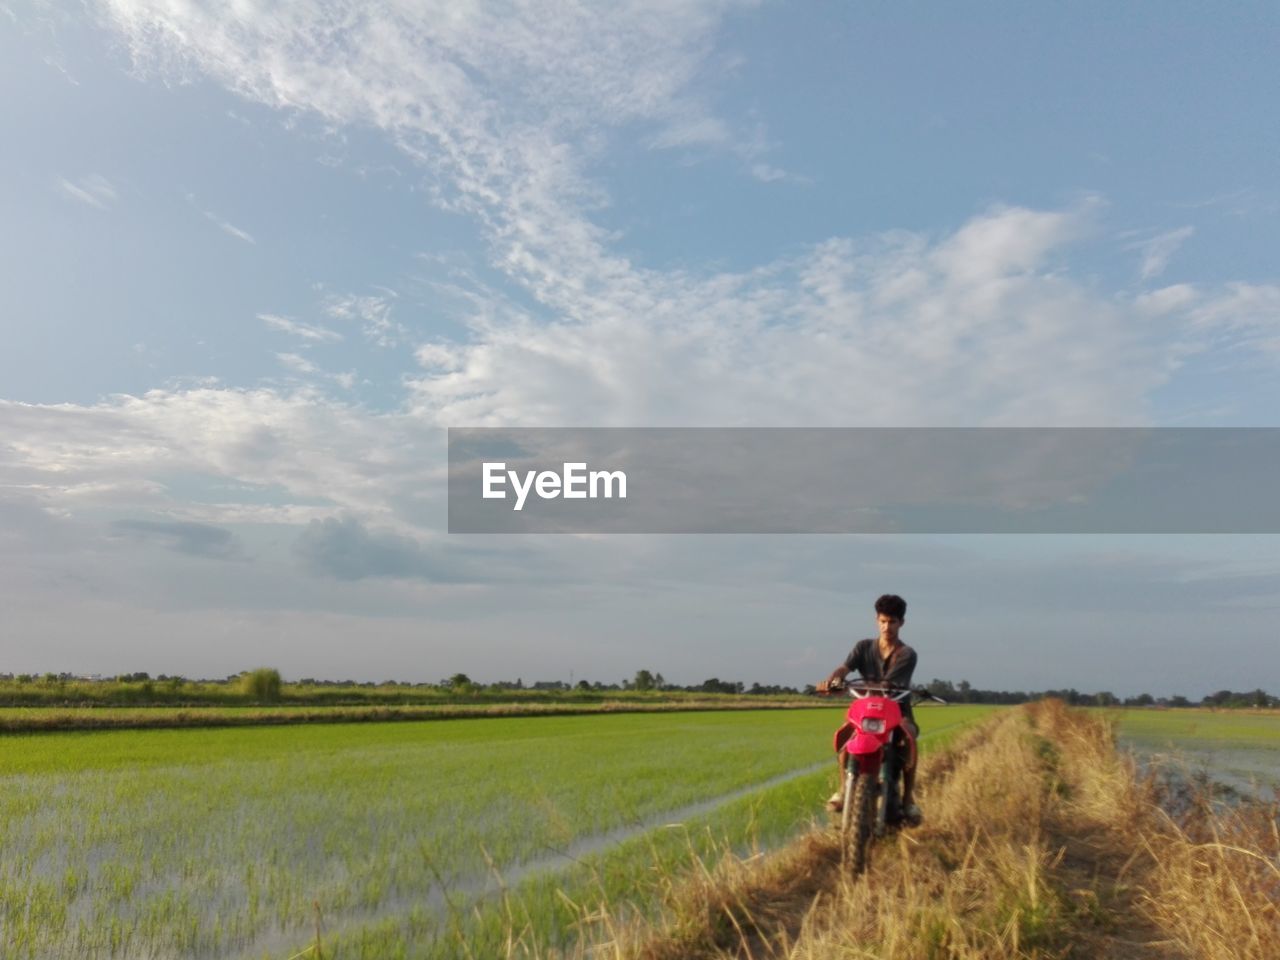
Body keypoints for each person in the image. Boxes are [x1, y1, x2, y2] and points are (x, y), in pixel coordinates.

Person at [816, 593, 923, 825]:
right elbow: (845, 669)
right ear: (876, 620)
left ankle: (907, 800)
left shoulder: (907, 654)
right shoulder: (863, 647)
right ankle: (843, 789)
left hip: (898, 712)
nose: (887, 627)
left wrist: (847, 688)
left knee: (909, 739)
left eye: (892, 622)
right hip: (866, 711)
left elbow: (887, 686)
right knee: (847, 737)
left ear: (901, 623)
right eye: (883, 621)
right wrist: (832, 682)